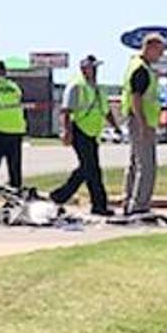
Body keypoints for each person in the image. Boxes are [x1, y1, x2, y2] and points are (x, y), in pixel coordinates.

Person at [50, 55, 121, 216]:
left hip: (92, 133)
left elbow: (106, 111)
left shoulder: (98, 88)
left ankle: (60, 195)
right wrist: (67, 132)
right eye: (92, 67)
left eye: (96, 67)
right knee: (92, 169)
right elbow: (66, 111)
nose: (95, 71)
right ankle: (99, 205)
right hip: (79, 130)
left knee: (87, 168)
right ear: (83, 69)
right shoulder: (76, 86)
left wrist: (115, 126)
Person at [120, 32, 166, 216]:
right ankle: (140, 205)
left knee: (135, 163)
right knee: (147, 166)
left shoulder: (138, 65)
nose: (161, 55)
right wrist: (143, 124)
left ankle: (129, 200)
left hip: (139, 119)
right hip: (140, 120)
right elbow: (136, 98)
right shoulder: (141, 69)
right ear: (150, 47)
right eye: (159, 51)